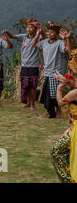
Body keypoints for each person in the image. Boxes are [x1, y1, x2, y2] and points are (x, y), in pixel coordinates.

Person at [32, 22, 72, 118]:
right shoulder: (44, 42)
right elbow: (34, 44)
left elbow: (68, 50)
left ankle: (58, 111)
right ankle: (50, 110)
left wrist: (66, 38)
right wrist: (38, 34)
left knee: (55, 94)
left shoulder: (59, 43)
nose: (49, 34)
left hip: (56, 73)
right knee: (47, 93)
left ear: (57, 34)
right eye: (48, 32)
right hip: (47, 72)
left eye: (52, 32)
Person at [2, 18, 43, 109]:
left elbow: (42, 37)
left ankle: (33, 104)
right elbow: (13, 36)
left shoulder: (38, 38)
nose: (28, 29)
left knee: (33, 87)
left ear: (36, 29)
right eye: (27, 27)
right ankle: (28, 102)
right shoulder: (24, 36)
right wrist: (7, 33)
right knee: (26, 86)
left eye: (31, 27)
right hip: (24, 65)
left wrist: (40, 30)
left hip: (33, 66)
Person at [50, 49, 77, 182]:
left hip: (76, 130)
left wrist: (60, 89)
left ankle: (68, 180)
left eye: (72, 73)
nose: (70, 75)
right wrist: (69, 82)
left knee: (56, 152)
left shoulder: (74, 93)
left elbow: (60, 103)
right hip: (74, 126)